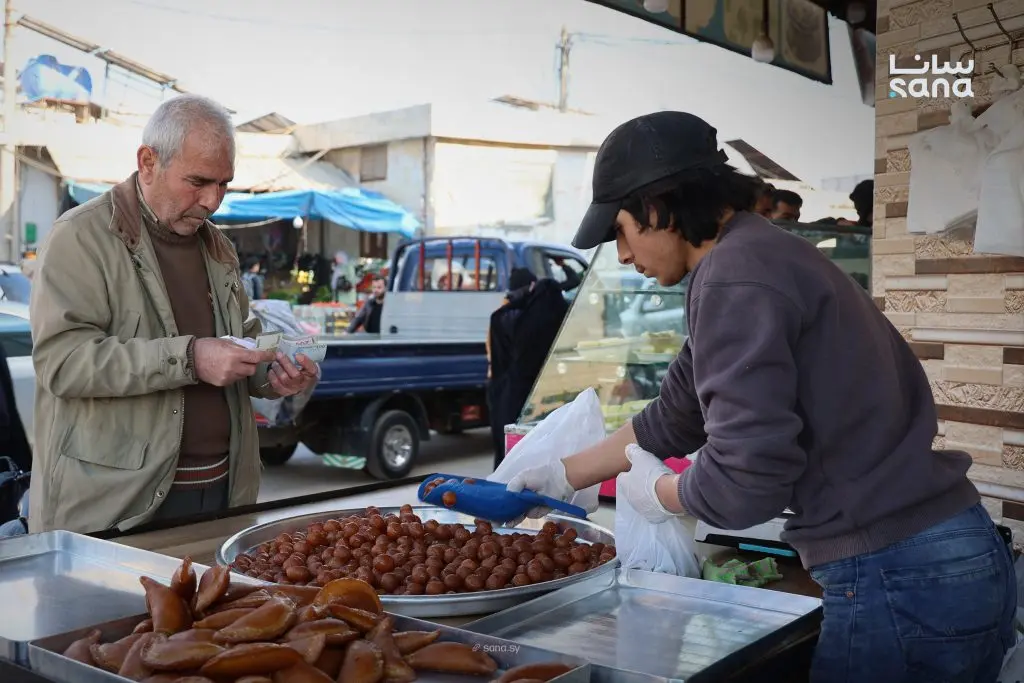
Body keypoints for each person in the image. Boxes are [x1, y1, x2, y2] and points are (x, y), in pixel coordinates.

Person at [501, 111, 1016, 682]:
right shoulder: (755, 255)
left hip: (899, 571)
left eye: (619, 230)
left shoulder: (734, 276)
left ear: (655, 206)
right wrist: (560, 474)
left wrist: (662, 493)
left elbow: (748, 480)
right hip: (941, 556)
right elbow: (673, 418)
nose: (621, 254)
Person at [29, 94, 319, 534]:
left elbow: (238, 337)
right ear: (148, 162)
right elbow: (63, 363)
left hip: (223, 495)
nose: (212, 201)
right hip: (120, 506)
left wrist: (272, 373)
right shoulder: (81, 237)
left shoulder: (217, 245)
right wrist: (190, 358)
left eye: (224, 183)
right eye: (199, 181)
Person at [486, 267, 568, 467]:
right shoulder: (541, 315)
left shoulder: (503, 315)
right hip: (522, 392)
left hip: (501, 389)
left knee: (505, 447)